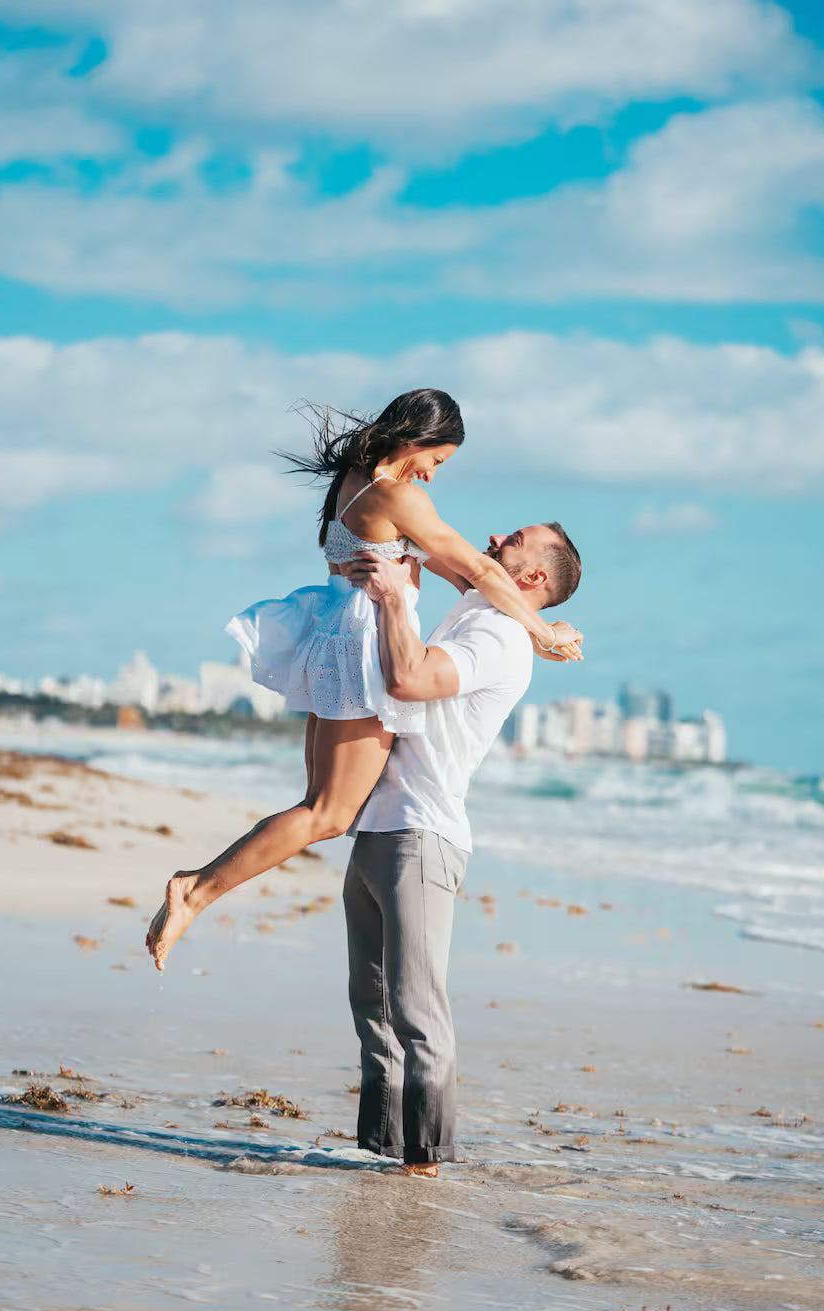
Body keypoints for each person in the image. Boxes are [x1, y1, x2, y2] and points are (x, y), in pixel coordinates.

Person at [145, 389, 581, 968]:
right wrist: (546, 635)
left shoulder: (356, 479)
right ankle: (194, 890)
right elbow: (476, 569)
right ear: (416, 439)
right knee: (328, 813)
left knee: (319, 805)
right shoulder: (398, 495)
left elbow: (468, 579)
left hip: (334, 636)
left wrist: (532, 629)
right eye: (438, 460)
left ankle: (196, 889)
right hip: (362, 647)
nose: (432, 473)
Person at [340, 522, 582, 1176]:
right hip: (380, 825)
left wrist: (395, 599)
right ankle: (385, 1151)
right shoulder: (484, 604)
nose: (498, 533)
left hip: (422, 834)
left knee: (417, 1008)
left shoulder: (500, 636)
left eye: (518, 537)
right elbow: (439, 541)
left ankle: (424, 1162)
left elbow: (413, 680)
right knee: (373, 1005)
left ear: (533, 577)